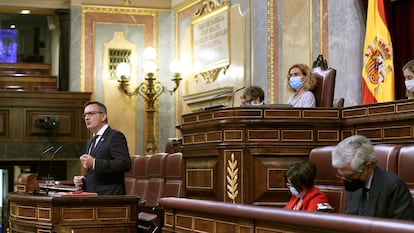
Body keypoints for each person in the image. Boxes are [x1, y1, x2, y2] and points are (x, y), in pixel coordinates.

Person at [332, 135, 414, 220]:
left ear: (368, 166)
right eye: (341, 175)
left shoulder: (393, 186)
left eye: (350, 176)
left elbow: (401, 227)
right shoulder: (355, 186)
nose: (346, 181)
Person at [73, 101, 131, 195]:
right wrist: (83, 180)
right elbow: (96, 172)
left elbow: (124, 164)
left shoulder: (114, 136)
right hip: (92, 196)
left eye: (91, 114)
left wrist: (95, 163)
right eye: (85, 115)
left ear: (103, 117)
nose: (87, 118)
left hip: (109, 197)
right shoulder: (91, 141)